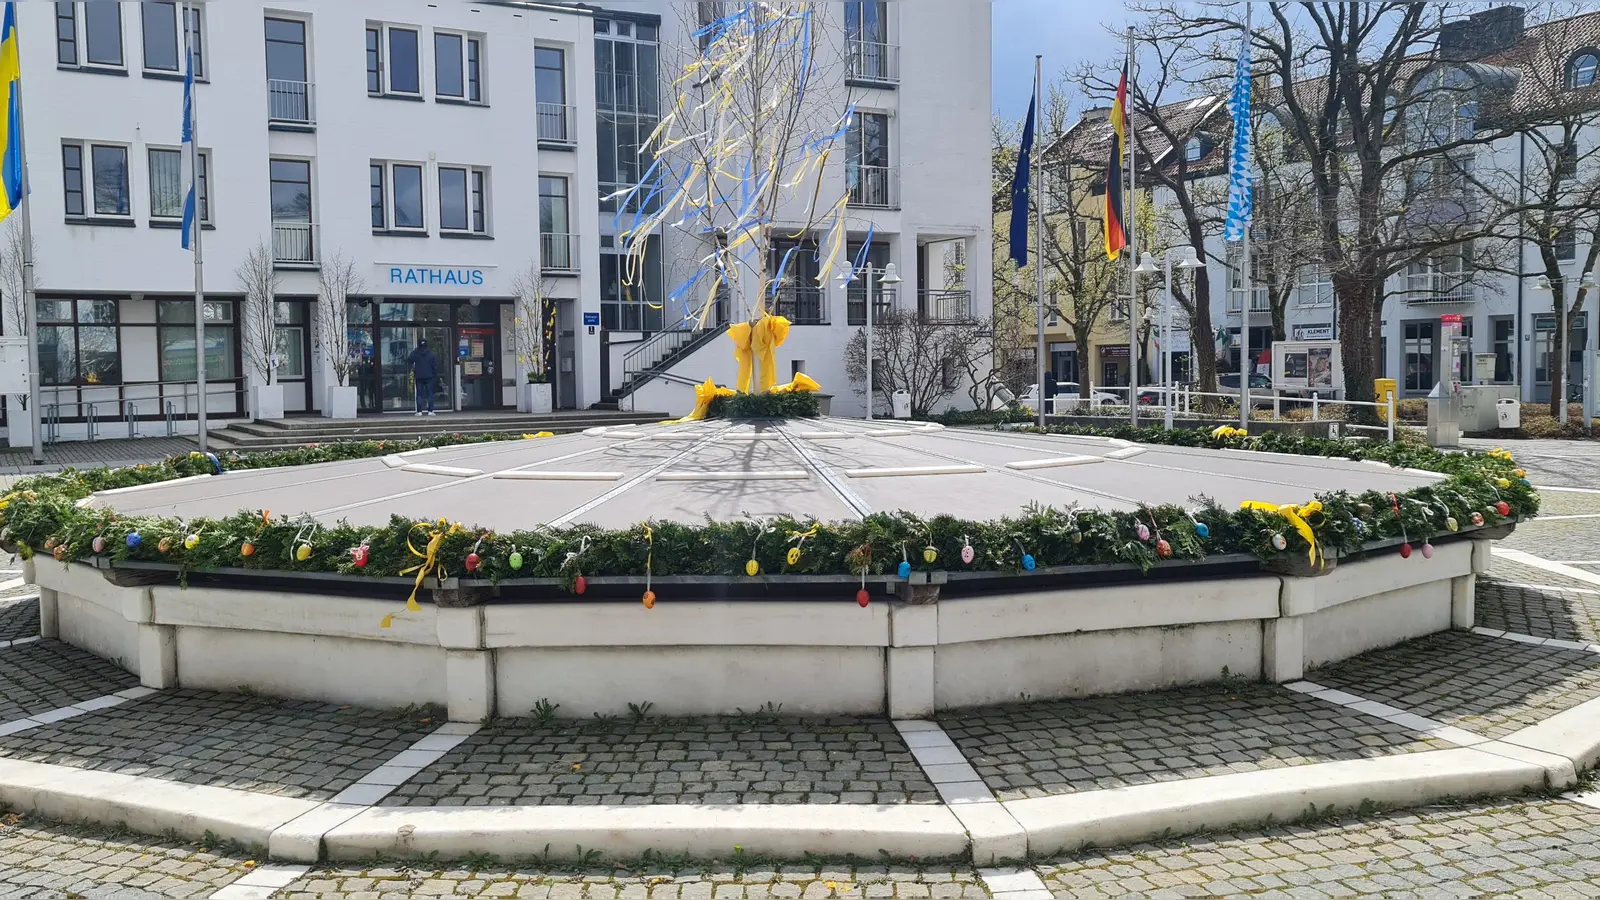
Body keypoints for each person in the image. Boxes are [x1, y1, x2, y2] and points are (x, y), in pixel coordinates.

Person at [407, 338, 438, 416]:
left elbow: (409, 360)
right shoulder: (431, 353)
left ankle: (419, 411)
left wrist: (414, 351)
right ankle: (430, 411)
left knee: (419, 394)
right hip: (429, 376)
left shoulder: (416, 353)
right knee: (430, 394)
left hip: (419, 376)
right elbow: (434, 365)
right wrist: (434, 374)